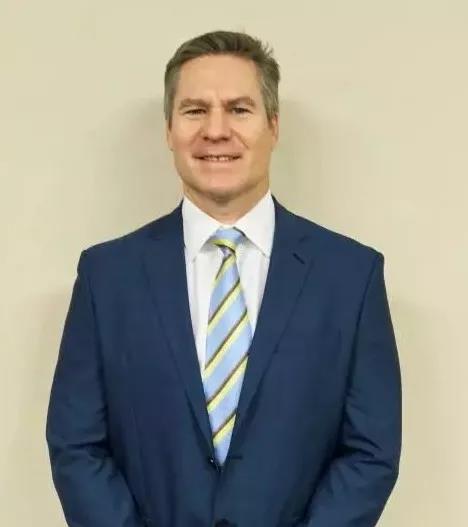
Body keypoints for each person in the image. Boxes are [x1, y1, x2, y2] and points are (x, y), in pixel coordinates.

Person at [46, 30, 402, 527]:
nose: (216, 130)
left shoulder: (351, 277)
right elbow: (76, 444)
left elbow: (371, 451)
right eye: (195, 110)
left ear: (273, 125)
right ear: (169, 130)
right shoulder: (106, 277)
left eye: (239, 109)